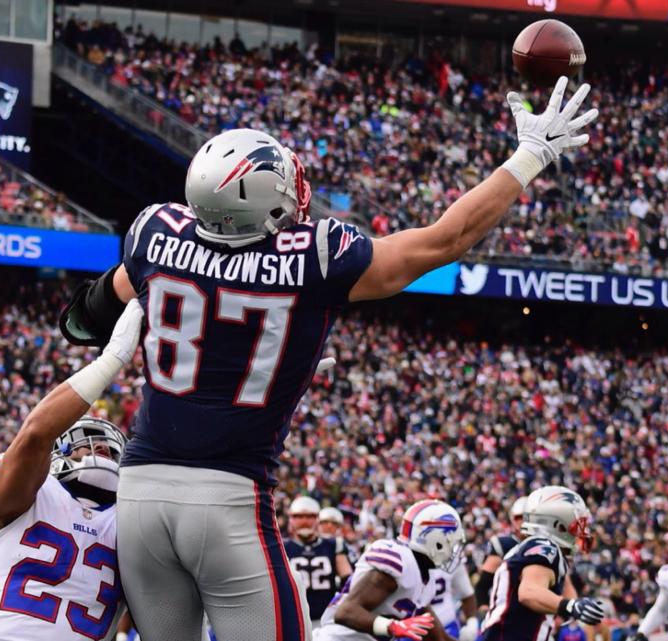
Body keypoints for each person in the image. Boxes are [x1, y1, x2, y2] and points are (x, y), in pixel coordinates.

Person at [60, 76, 597, 641]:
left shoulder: (153, 232)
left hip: (141, 492)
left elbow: (86, 319)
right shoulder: (314, 256)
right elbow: (444, 241)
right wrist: (531, 155)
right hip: (227, 498)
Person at [0, 300, 143, 641]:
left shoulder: (132, 520)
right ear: (56, 454)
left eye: (111, 450)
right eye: (88, 444)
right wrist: (113, 359)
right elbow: (36, 433)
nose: (102, 453)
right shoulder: (33, 493)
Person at [314, 499, 465, 641]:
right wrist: (392, 626)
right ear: (435, 540)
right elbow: (346, 612)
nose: (453, 550)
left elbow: (439, 638)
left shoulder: (425, 578)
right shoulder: (400, 561)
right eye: (451, 542)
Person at [479, 486, 604, 641]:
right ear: (558, 525)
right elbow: (528, 592)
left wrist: (574, 605)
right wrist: (571, 606)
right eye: (576, 525)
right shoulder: (545, 547)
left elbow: (566, 590)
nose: (580, 532)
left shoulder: (539, 548)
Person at [283, 497, 353, 628]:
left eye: (309, 516)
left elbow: (348, 582)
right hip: (295, 619)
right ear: (291, 519)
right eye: (299, 516)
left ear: (317, 519)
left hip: (326, 619)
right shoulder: (281, 547)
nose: (304, 521)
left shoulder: (334, 544)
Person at [475, 497, 526, 608]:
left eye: (527, 518)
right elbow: (482, 586)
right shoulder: (504, 545)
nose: (522, 522)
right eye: (518, 518)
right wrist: (484, 608)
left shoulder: (546, 545)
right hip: (507, 608)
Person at [430, 562, 478, 641]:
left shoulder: (452, 557)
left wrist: (472, 623)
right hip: (413, 629)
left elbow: (466, 593)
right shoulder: (406, 558)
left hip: (448, 625)